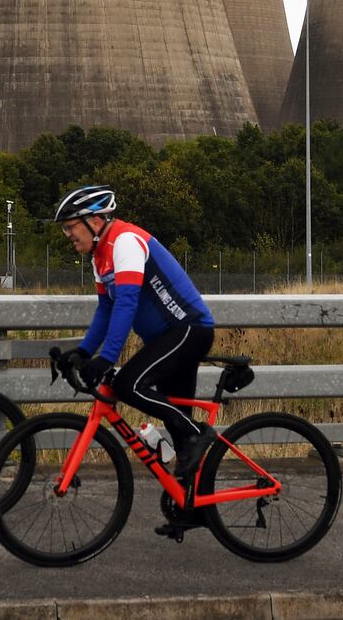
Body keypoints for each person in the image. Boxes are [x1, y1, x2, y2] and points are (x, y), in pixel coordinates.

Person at [54, 184, 217, 479]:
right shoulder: (99, 255)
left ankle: (199, 432)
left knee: (127, 384)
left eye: (69, 227)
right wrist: (83, 351)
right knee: (181, 441)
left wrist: (106, 358)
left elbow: (126, 303)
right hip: (168, 337)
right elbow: (106, 307)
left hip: (188, 330)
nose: (68, 236)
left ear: (94, 221)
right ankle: (191, 511)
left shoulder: (125, 241)